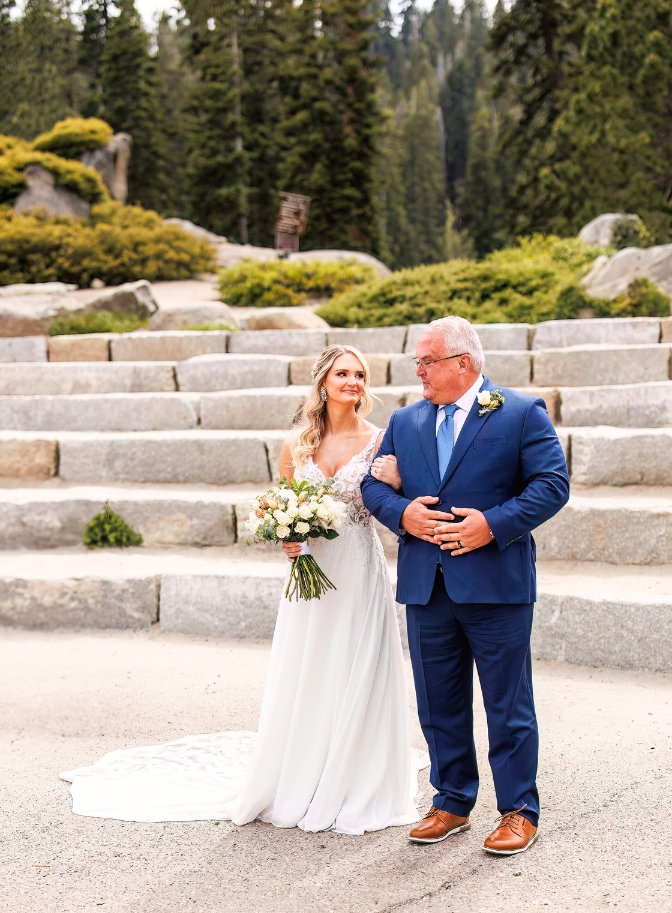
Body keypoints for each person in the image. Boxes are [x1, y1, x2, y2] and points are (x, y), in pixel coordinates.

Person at [61, 344, 427, 835]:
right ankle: (305, 771)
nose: (353, 382)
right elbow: (282, 504)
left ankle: (356, 778)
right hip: (311, 572)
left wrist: (398, 479)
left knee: (357, 663)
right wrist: (287, 537)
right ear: (323, 382)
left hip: (359, 568)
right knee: (312, 666)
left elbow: (388, 501)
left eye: (360, 374)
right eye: (343, 373)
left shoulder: (382, 440)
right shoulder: (296, 442)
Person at [362, 316, 569, 855]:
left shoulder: (522, 413)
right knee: (437, 703)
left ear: (464, 363)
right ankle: (452, 800)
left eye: (427, 361)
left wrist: (492, 524)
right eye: (417, 361)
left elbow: (552, 484)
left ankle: (519, 811)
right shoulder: (405, 421)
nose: (418, 370)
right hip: (426, 586)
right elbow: (370, 485)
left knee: (508, 705)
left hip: (497, 585)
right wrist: (403, 513)